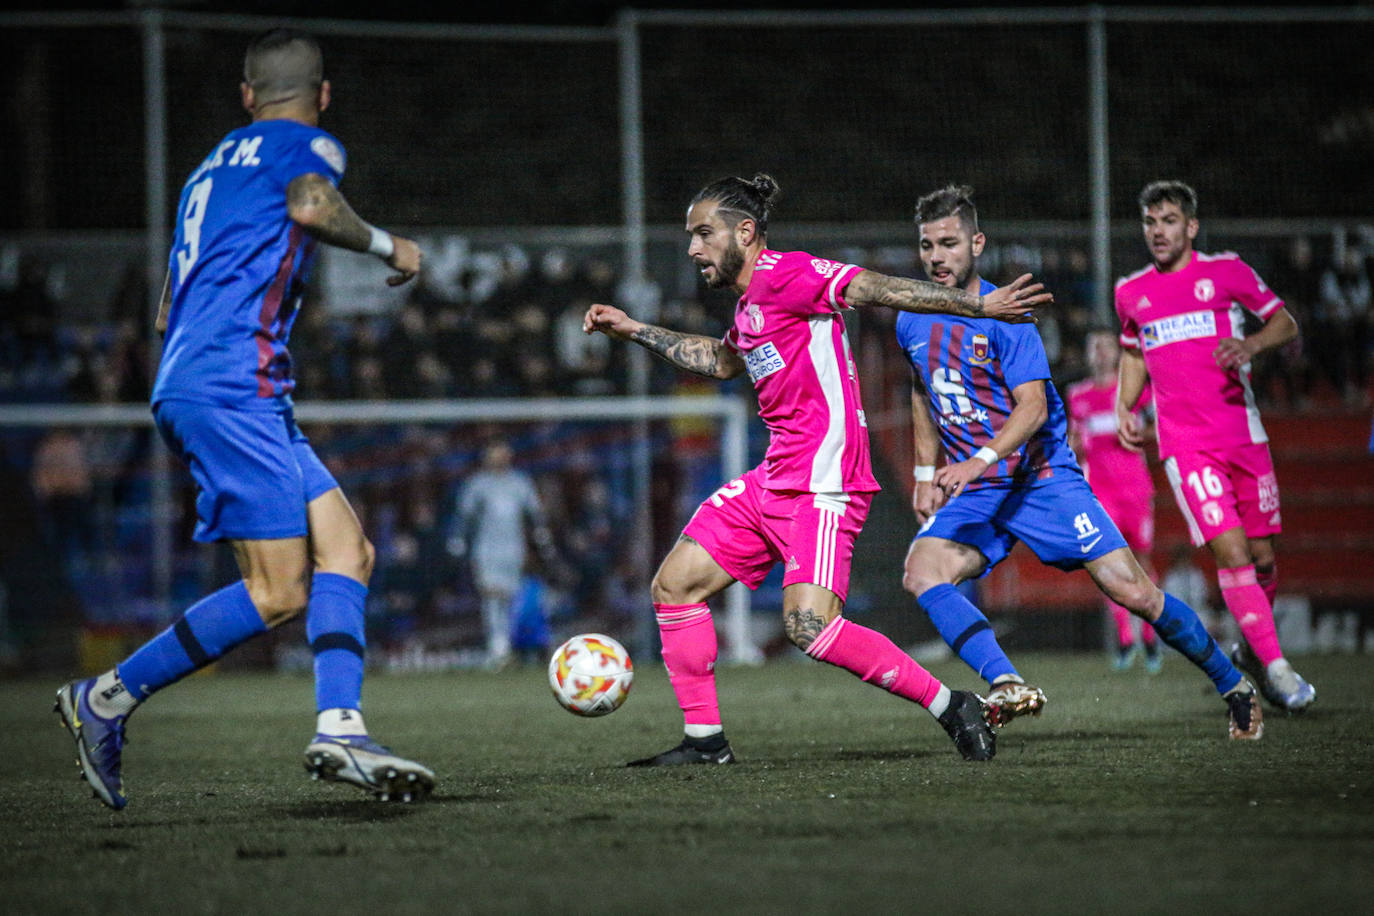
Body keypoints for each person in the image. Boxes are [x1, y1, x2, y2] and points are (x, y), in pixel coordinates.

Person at [54, 29, 433, 810]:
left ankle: (340, 724)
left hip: (215, 380)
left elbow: (168, 306)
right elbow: (310, 204)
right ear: (321, 96)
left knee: (347, 551)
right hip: (233, 386)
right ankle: (106, 699)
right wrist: (390, 246)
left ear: (246, 95)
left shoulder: (207, 172)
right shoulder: (311, 148)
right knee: (278, 592)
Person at [583, 172, 1052, 766]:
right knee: (674, 586)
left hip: (825, 483)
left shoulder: (791, 274)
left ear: (745, 231)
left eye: (704, 234)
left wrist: (977, 303)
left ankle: (953, 706)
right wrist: (633, 329)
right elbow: (726, 361)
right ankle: (705, 742)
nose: (694, 249)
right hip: (774, 478)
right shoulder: (751, 302)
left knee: (810, 627)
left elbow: (872, 287)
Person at [897, 184, 1263, 740]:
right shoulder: (911, 318)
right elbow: (921, 391)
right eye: (927, 247)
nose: (936, 258)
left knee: (1134, 591)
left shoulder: (1010, 315)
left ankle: (1234, 684)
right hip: (983, 486)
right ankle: (1007, 682)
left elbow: (1035, 407)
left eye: (948, 244)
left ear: (977, 243)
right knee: (922, 570)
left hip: (1041, 478)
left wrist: (976, 460)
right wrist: (926, 473)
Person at [1116, 180, 1315, 713]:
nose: (1159, 232)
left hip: (1243, 436)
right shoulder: (1131, 292)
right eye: (1151, 222)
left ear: (1191, 226)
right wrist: (1124, 406)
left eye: (1169, 221)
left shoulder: (1226, 272)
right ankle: (1277, 668)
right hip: (1185, 446)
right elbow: (1133, 353)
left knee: (1262, 557)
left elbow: (1284, 321)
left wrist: (1250, 343)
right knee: (1230, 553)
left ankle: (1254, 647)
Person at [1067, 329, 1162, 673]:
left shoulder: (1135, 391)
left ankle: (1150, 635)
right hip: (1100, 494)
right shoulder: (1077, 395)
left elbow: (1159, 428)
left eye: (1107, 346)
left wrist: (1139, 433)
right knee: (1108, 563)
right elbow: (1074, 441)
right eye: (1095, 346)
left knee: (1141, 562)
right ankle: (1125, 637)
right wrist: (1074, 448)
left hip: (1136, 490)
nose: (1101, 352)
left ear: (1118, 353)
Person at [446, 436, 558, 669]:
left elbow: (534, 515)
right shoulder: (477, 484)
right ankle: (497, 646)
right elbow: (464, 517)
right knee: (491, 595)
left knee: (509, 597)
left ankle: (507, 646)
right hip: (486, 549)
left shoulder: (520, 483)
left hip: (513, 550)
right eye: (494, 451)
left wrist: (543, 541)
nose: (499, 456)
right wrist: (458, 541)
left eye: (503, 450)